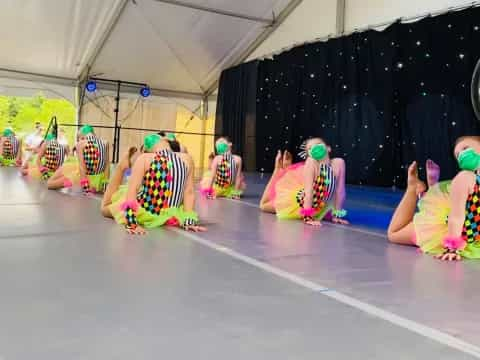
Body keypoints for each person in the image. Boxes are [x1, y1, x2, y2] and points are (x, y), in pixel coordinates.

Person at [388, 135, 480, 261]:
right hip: (458, 231)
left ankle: (432, 188)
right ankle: (412, 188)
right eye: (458, 155)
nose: (462, 155)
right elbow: (456, 217)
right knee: (394, 234)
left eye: (465, 148)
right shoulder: (465, 178)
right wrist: (452, 247)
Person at [100, 134, 206, 234]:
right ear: (167, 143)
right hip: (172, 214)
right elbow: (189, 192)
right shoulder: (187, 159)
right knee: (132, 190)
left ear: (147, 150)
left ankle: (121, 167)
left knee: (105, 208)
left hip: (147, 211)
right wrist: (188, 220)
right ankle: (122, 166)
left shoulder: (144, 158)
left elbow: (133, 190)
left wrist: (131, 223)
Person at [259, 138, 348, 226]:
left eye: (318, 143)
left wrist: (337, 215)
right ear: (309, 154)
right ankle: (277, 170)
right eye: (310, 148)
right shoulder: (311, 163)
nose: (314, 147)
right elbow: (308, 191)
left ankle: (284, 169)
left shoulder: (338, 163)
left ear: (328, 148)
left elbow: (340, 191)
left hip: (320, 206)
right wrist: (307, 216)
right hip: (301, 203)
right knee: (264, 206)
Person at [47, 125, 110, 193]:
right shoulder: (105, 142)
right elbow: (107, 165)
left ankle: (68, 182)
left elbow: (82, 168)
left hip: (84, 179)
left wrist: (86, 188)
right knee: (69, 168)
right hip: (99, 181)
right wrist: (105, 183)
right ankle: (68, 181)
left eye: (79, 138)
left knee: (50, 184)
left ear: (82, 136)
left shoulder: (80, 144)